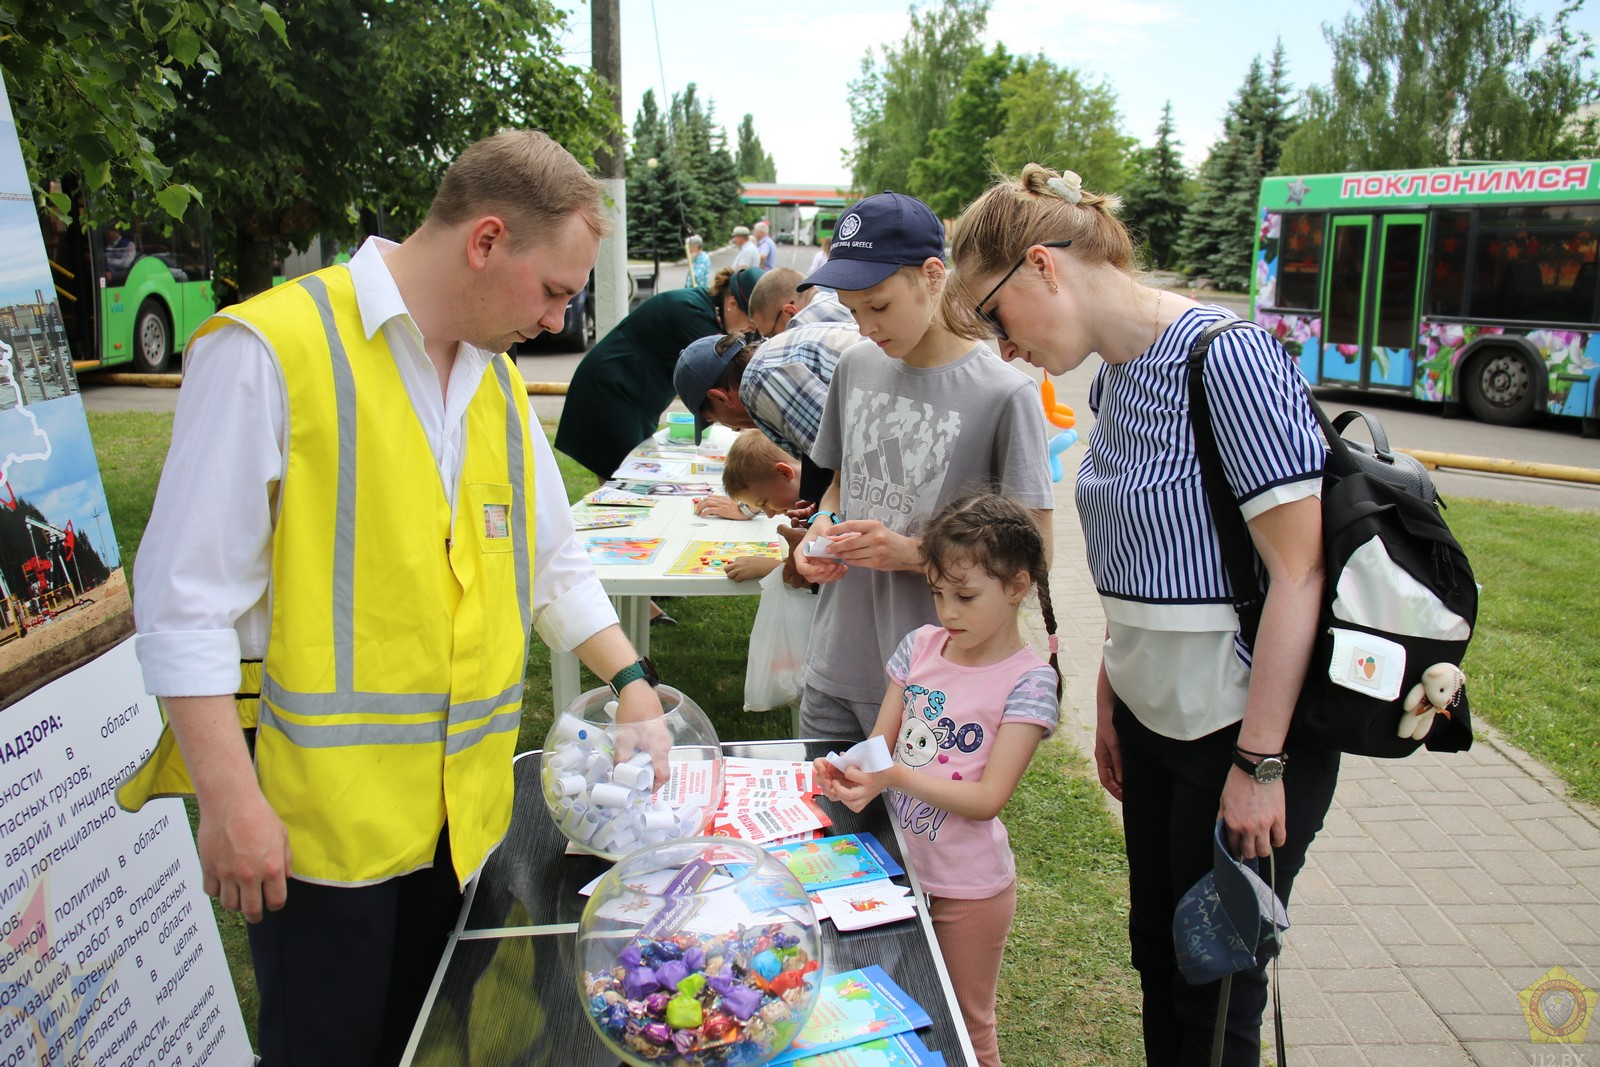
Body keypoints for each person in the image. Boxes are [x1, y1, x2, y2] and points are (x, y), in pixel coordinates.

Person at [118, 130, 670, 1067]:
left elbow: (553, 559)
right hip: (316, 831)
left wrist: (635, 682)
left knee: (430, 1041)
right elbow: (183, 605)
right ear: (486, 241)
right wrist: (228, 797)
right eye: (555, 291)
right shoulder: (270, 350)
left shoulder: (493, 380)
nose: (556, 319)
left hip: (458, 823)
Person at [940, 164, 1339, 1066]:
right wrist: (1113, 698)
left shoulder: (1224, 355)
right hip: (1159, 722)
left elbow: (1298, 571)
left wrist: (1261, 763)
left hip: (1239, 733)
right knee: (1160, 958)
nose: (1004, 349)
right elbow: (1138, 565)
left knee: (1216, 989)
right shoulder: (1115, 378)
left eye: (995, 317)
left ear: (1042, 265)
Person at [791, 191, 1054, 742]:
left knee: (919, 832)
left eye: (879, 306)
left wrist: (914, 554)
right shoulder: (857, 365)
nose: (865, 328)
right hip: (835, 662)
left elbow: (1036, 550)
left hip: (939, 683)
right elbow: (842, 486)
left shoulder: (1005, 394)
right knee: (828, 824)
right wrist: (822, 527)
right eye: (851, 309)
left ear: (933, 275)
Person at [813, 493, 1059, 1067]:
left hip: (967, 890)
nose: (948, 612)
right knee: (889, 1014)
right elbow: (878, 746)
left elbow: (986, 799)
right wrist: (852, 773)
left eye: (966, 596)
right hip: (894, 868)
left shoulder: (1028, 682)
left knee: (967, 1030)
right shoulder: (920, 646)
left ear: (1018, 585)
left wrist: (894, 773)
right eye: (938, 594)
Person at [556, 265, 763, 482]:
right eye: (751, 322)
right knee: (627, 477)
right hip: (610, 390)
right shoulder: (692, 313)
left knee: (633, 474)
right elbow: (726, 376)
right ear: (731, 303)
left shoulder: (708, 311)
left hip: (636, 394)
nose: (752, 330)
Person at [747, 267, 856, 336]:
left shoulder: (802, 329)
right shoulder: (838, 301)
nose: (770, 342)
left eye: (771, 335)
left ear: (789, 312)